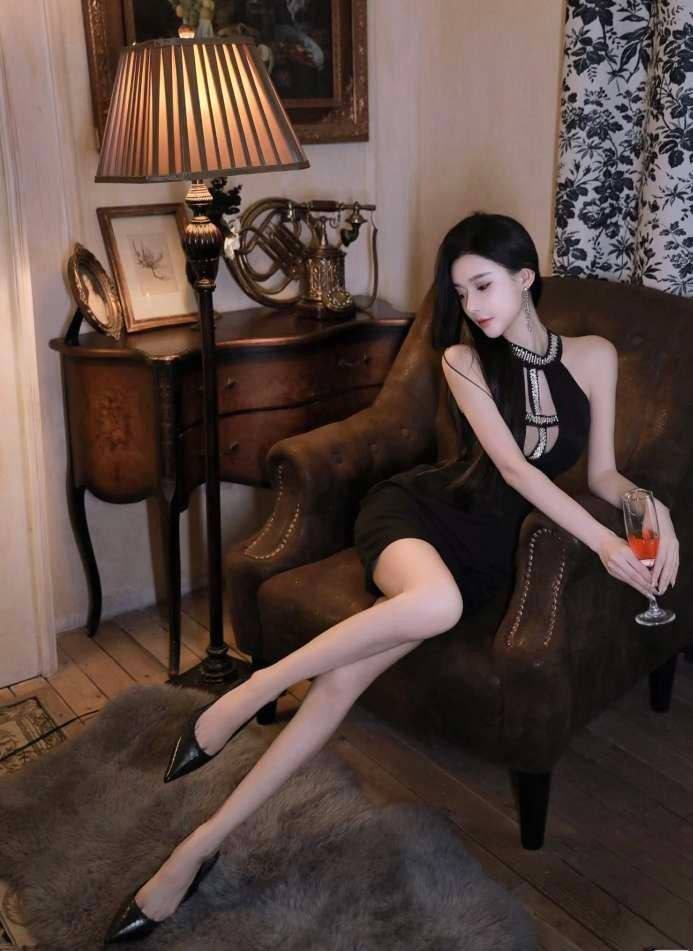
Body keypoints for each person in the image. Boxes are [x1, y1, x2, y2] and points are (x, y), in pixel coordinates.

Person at [104, 211, 680, 942]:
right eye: (460, 293)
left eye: (482, 286)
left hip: (489, 553)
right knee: (436, 605)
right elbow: (510, 469)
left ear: (524, 277)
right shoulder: (464, 360)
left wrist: (650, 508)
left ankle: (194, 850)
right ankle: (253, 688)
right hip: (421, 516)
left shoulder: (595, 357)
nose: (472, 306)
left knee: (339, 685)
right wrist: (601, 540)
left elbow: (603, 474)